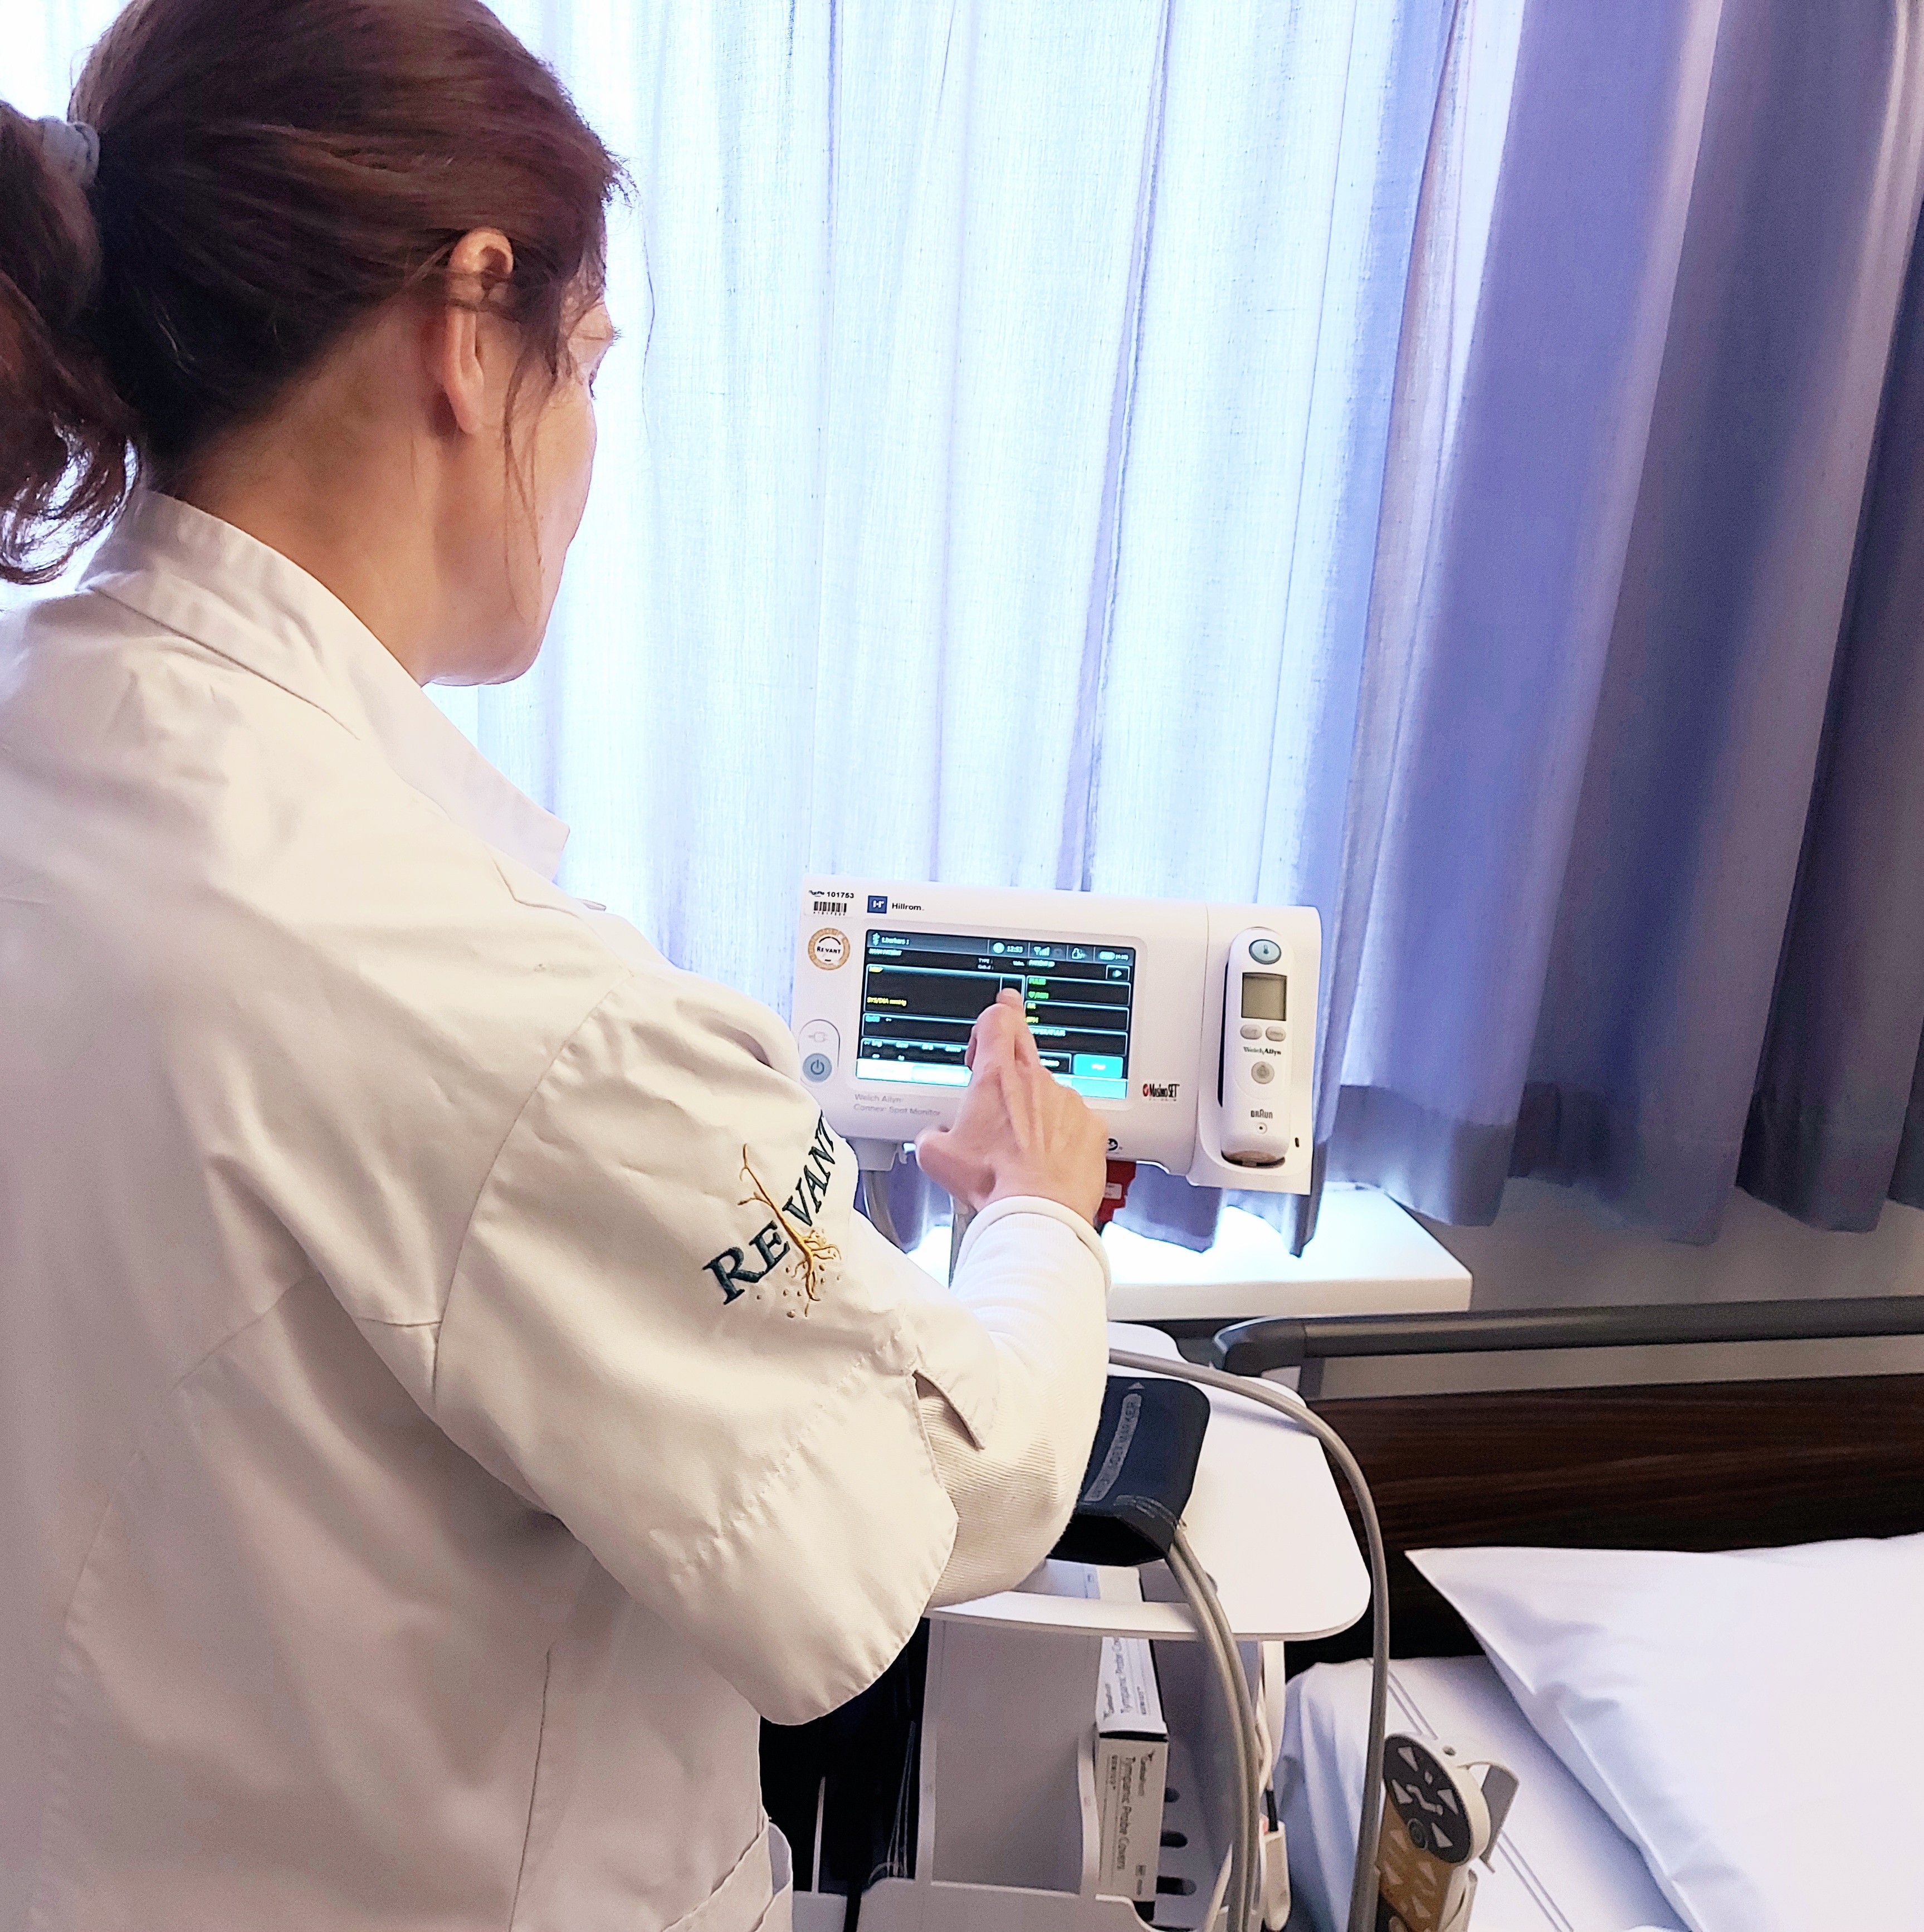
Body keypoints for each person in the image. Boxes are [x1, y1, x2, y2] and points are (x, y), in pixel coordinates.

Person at [0, 4, 1111, 1927]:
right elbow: (957, 1474)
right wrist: (1043, 1216)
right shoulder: (496, 1010)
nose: (586, 453)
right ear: (467, 317)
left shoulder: (54, 746)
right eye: (583, 363)